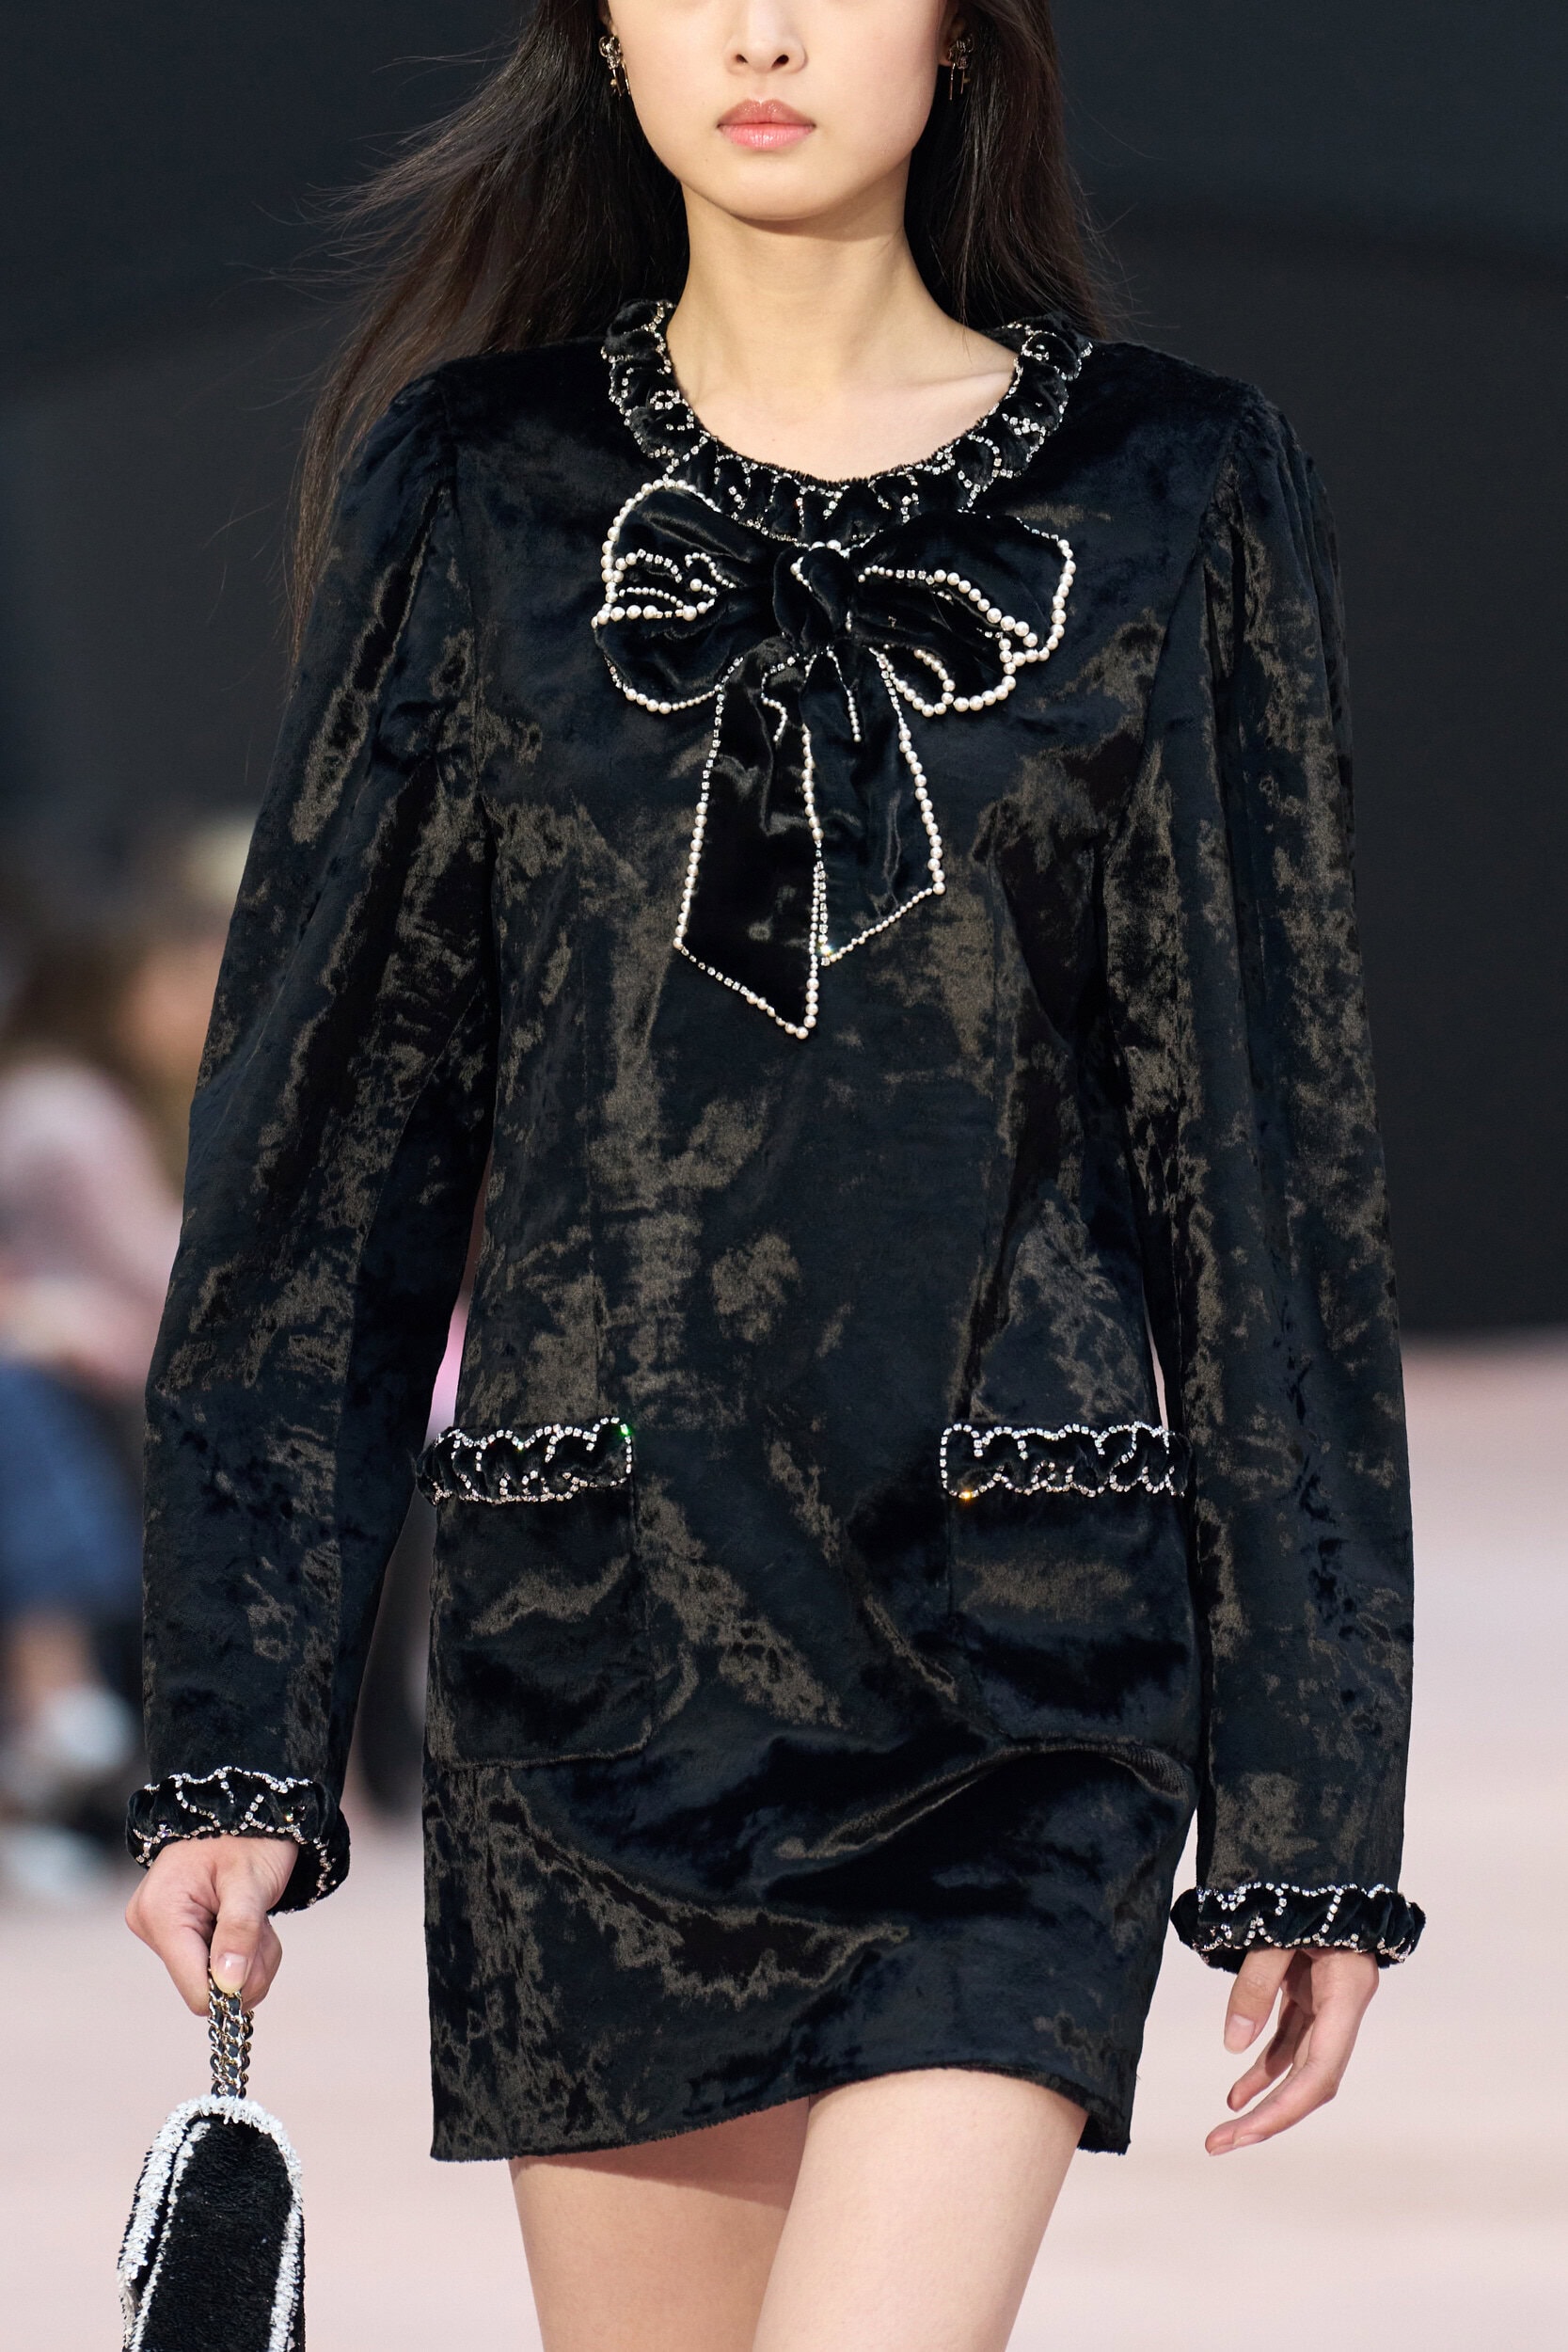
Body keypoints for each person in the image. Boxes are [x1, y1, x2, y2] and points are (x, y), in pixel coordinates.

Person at [124, 6, 1425, 2346]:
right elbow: (326, 1154)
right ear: (602, 38)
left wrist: (1314, 1794)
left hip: (1016, 1665)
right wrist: (240, 1731)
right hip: (601, 1655)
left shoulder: (1170, 488)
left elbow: (1267, 1155)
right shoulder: (481, 488)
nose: (757, 28)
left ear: (965, 34)